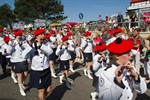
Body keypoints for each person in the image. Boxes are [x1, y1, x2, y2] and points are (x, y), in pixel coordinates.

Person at [29, 29, 53, 100]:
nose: (43, 36)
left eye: (43, 34)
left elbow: (50, 52)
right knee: (41, 90)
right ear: (36, 36)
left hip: (46, 69)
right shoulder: (31, 46)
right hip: (37, 71)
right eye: (41, 34)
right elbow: (24, 56)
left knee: (49, 89)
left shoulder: (45, 44)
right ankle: (41, 97)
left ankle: (42, 97)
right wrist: (30, 45)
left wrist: (40, 46)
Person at [10, 29, 32, 96]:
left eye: (20, 35)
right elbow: (9, 51)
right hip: (16, 60)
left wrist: (28, 59)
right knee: (19, 75)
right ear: (16, 35)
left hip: (23, 60)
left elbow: (27, 49)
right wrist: (12, 45)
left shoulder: (24, 41)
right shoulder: (12, 42)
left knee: (25, 74)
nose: (20, 36)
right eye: (18, 35)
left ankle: (21, 83)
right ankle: (21, 89)